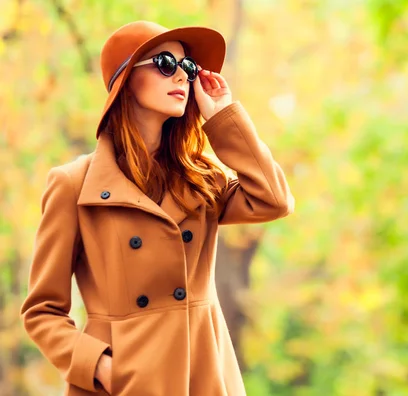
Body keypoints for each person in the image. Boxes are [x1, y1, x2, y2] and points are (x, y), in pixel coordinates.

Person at [20, 20, 294, 396]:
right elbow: (42, 311)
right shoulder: (74, 184)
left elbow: (273, 200)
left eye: (188, 67)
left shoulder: (200, 178)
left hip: (204, 375)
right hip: (123, 383)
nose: (181, 76)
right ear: (126, 80)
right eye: (166, 63)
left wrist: (223, 118)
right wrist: (101, 367)